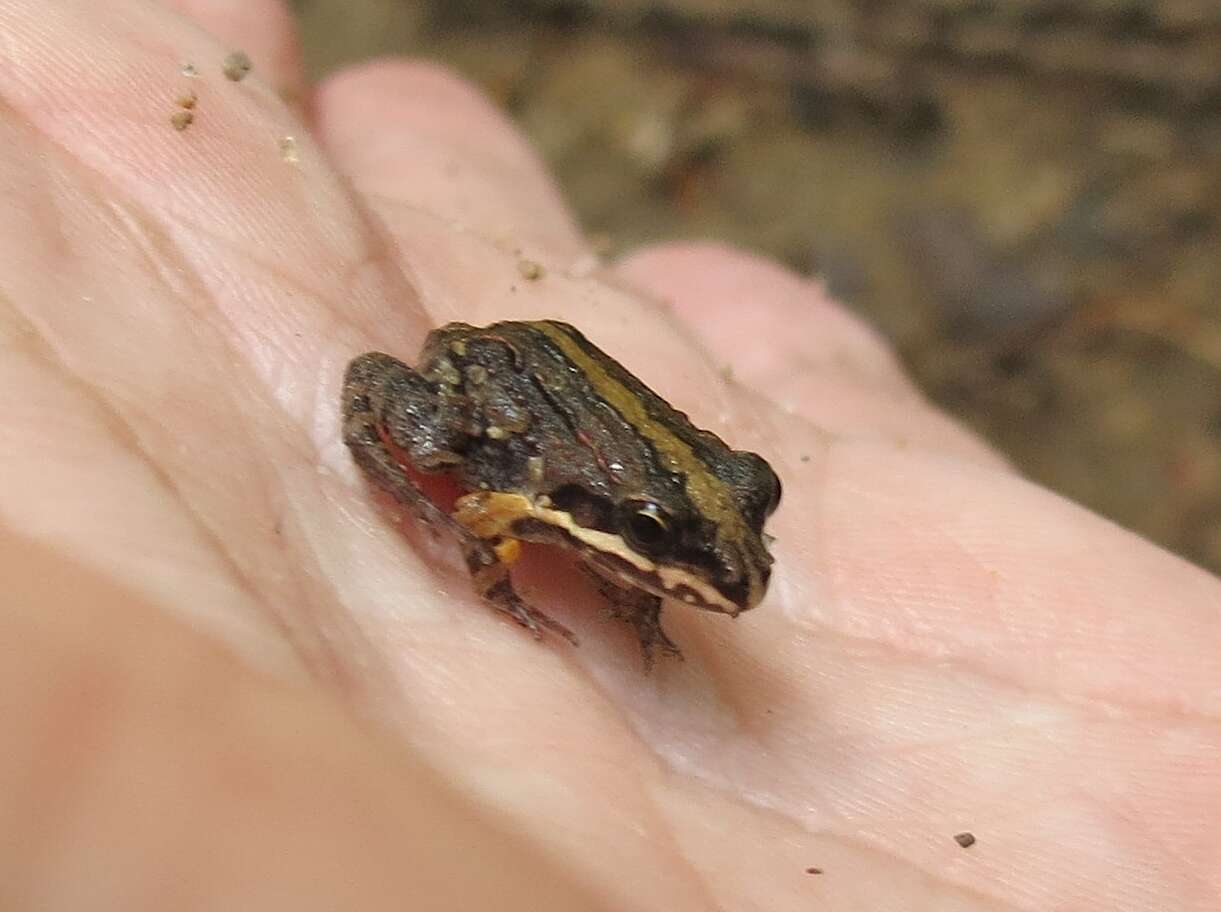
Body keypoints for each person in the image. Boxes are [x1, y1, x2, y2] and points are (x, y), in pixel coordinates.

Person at [2, 1, 1218, 908]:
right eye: (680, 550)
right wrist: (463, 552)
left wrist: (645, 586)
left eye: (742, 524)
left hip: (570, 370)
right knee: (439, 454)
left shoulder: (671, 524)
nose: (738, 570)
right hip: (509, 383)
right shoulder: (548, 497)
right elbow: (499, 520)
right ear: (627, 529)